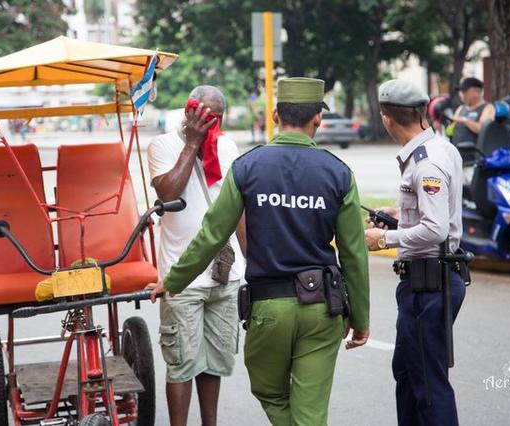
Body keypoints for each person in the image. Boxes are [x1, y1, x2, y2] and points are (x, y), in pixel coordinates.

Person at [150, 77, 371, 425]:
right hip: (323, 312)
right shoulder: (339, 172)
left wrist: (174, 279)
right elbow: (354, 255)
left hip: (268, 310)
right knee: (309, 409)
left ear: (274, 116)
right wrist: (360, 317)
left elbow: (212, 233)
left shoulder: (247, 166)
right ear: (318, 120)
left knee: (270, 391)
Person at [364, 79, 466, 426]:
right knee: (408, 373)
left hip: (429, 283)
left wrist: (382, 240)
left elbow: (435, 229)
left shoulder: (426, 164)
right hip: (426, 280)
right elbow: (435, 212)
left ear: (387, 119)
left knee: (426, 382)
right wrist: (395, 216)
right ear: (422, 112)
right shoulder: (440, 148)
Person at [146, 85, 246, 426]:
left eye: (212, 117)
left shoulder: (229, 148)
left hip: (224, 274)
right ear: (187, 111)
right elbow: (168, 191)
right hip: (182, 276)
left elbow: (240, 210)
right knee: (182, 364)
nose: (204, 122)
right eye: (198, 113)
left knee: (214, 362)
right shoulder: (163, 144)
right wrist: (192, 143)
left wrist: (252, 266)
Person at [451, 77, 495, 165]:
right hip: (457, 161)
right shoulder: (461, 108)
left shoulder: (487, 107)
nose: (462, 95)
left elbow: (483, 130)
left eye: (465, 92)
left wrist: (465, 120)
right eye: (461, 92)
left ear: (477, 91)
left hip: (473, 162)